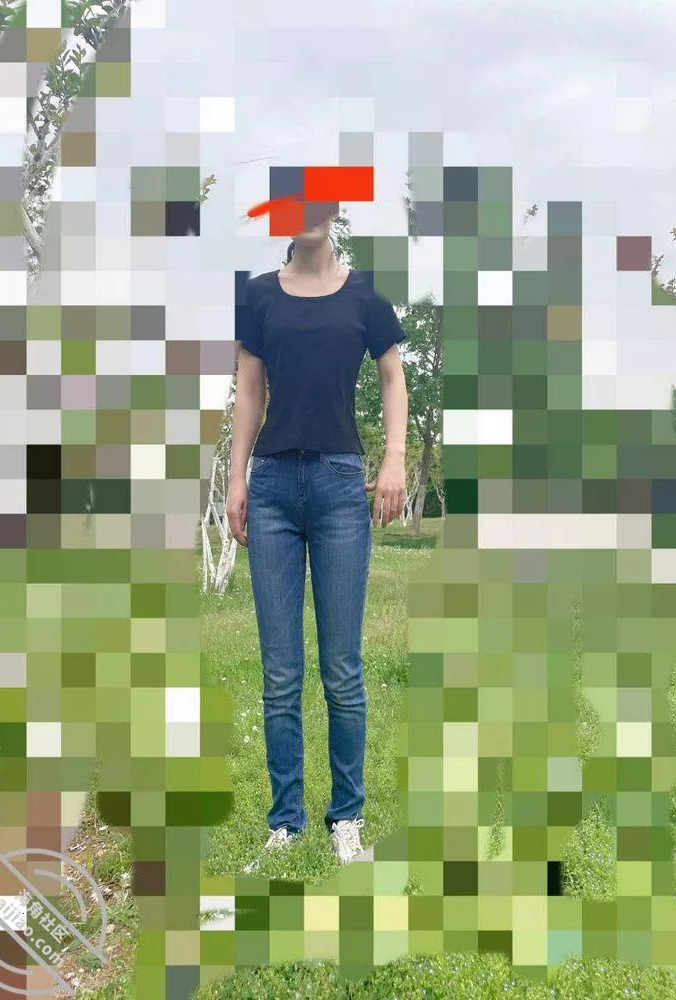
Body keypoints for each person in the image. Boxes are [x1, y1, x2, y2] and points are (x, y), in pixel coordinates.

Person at [228, 200, 409, 871]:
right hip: (272, 485)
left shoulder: (366, 295)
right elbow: (250, 390)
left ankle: (347, 819)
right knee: (280, 672)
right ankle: (285, 825)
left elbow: (392, 376)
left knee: (342, 667)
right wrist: (237, 478)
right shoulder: (256, 296)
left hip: (338, 486)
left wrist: (394, 457)